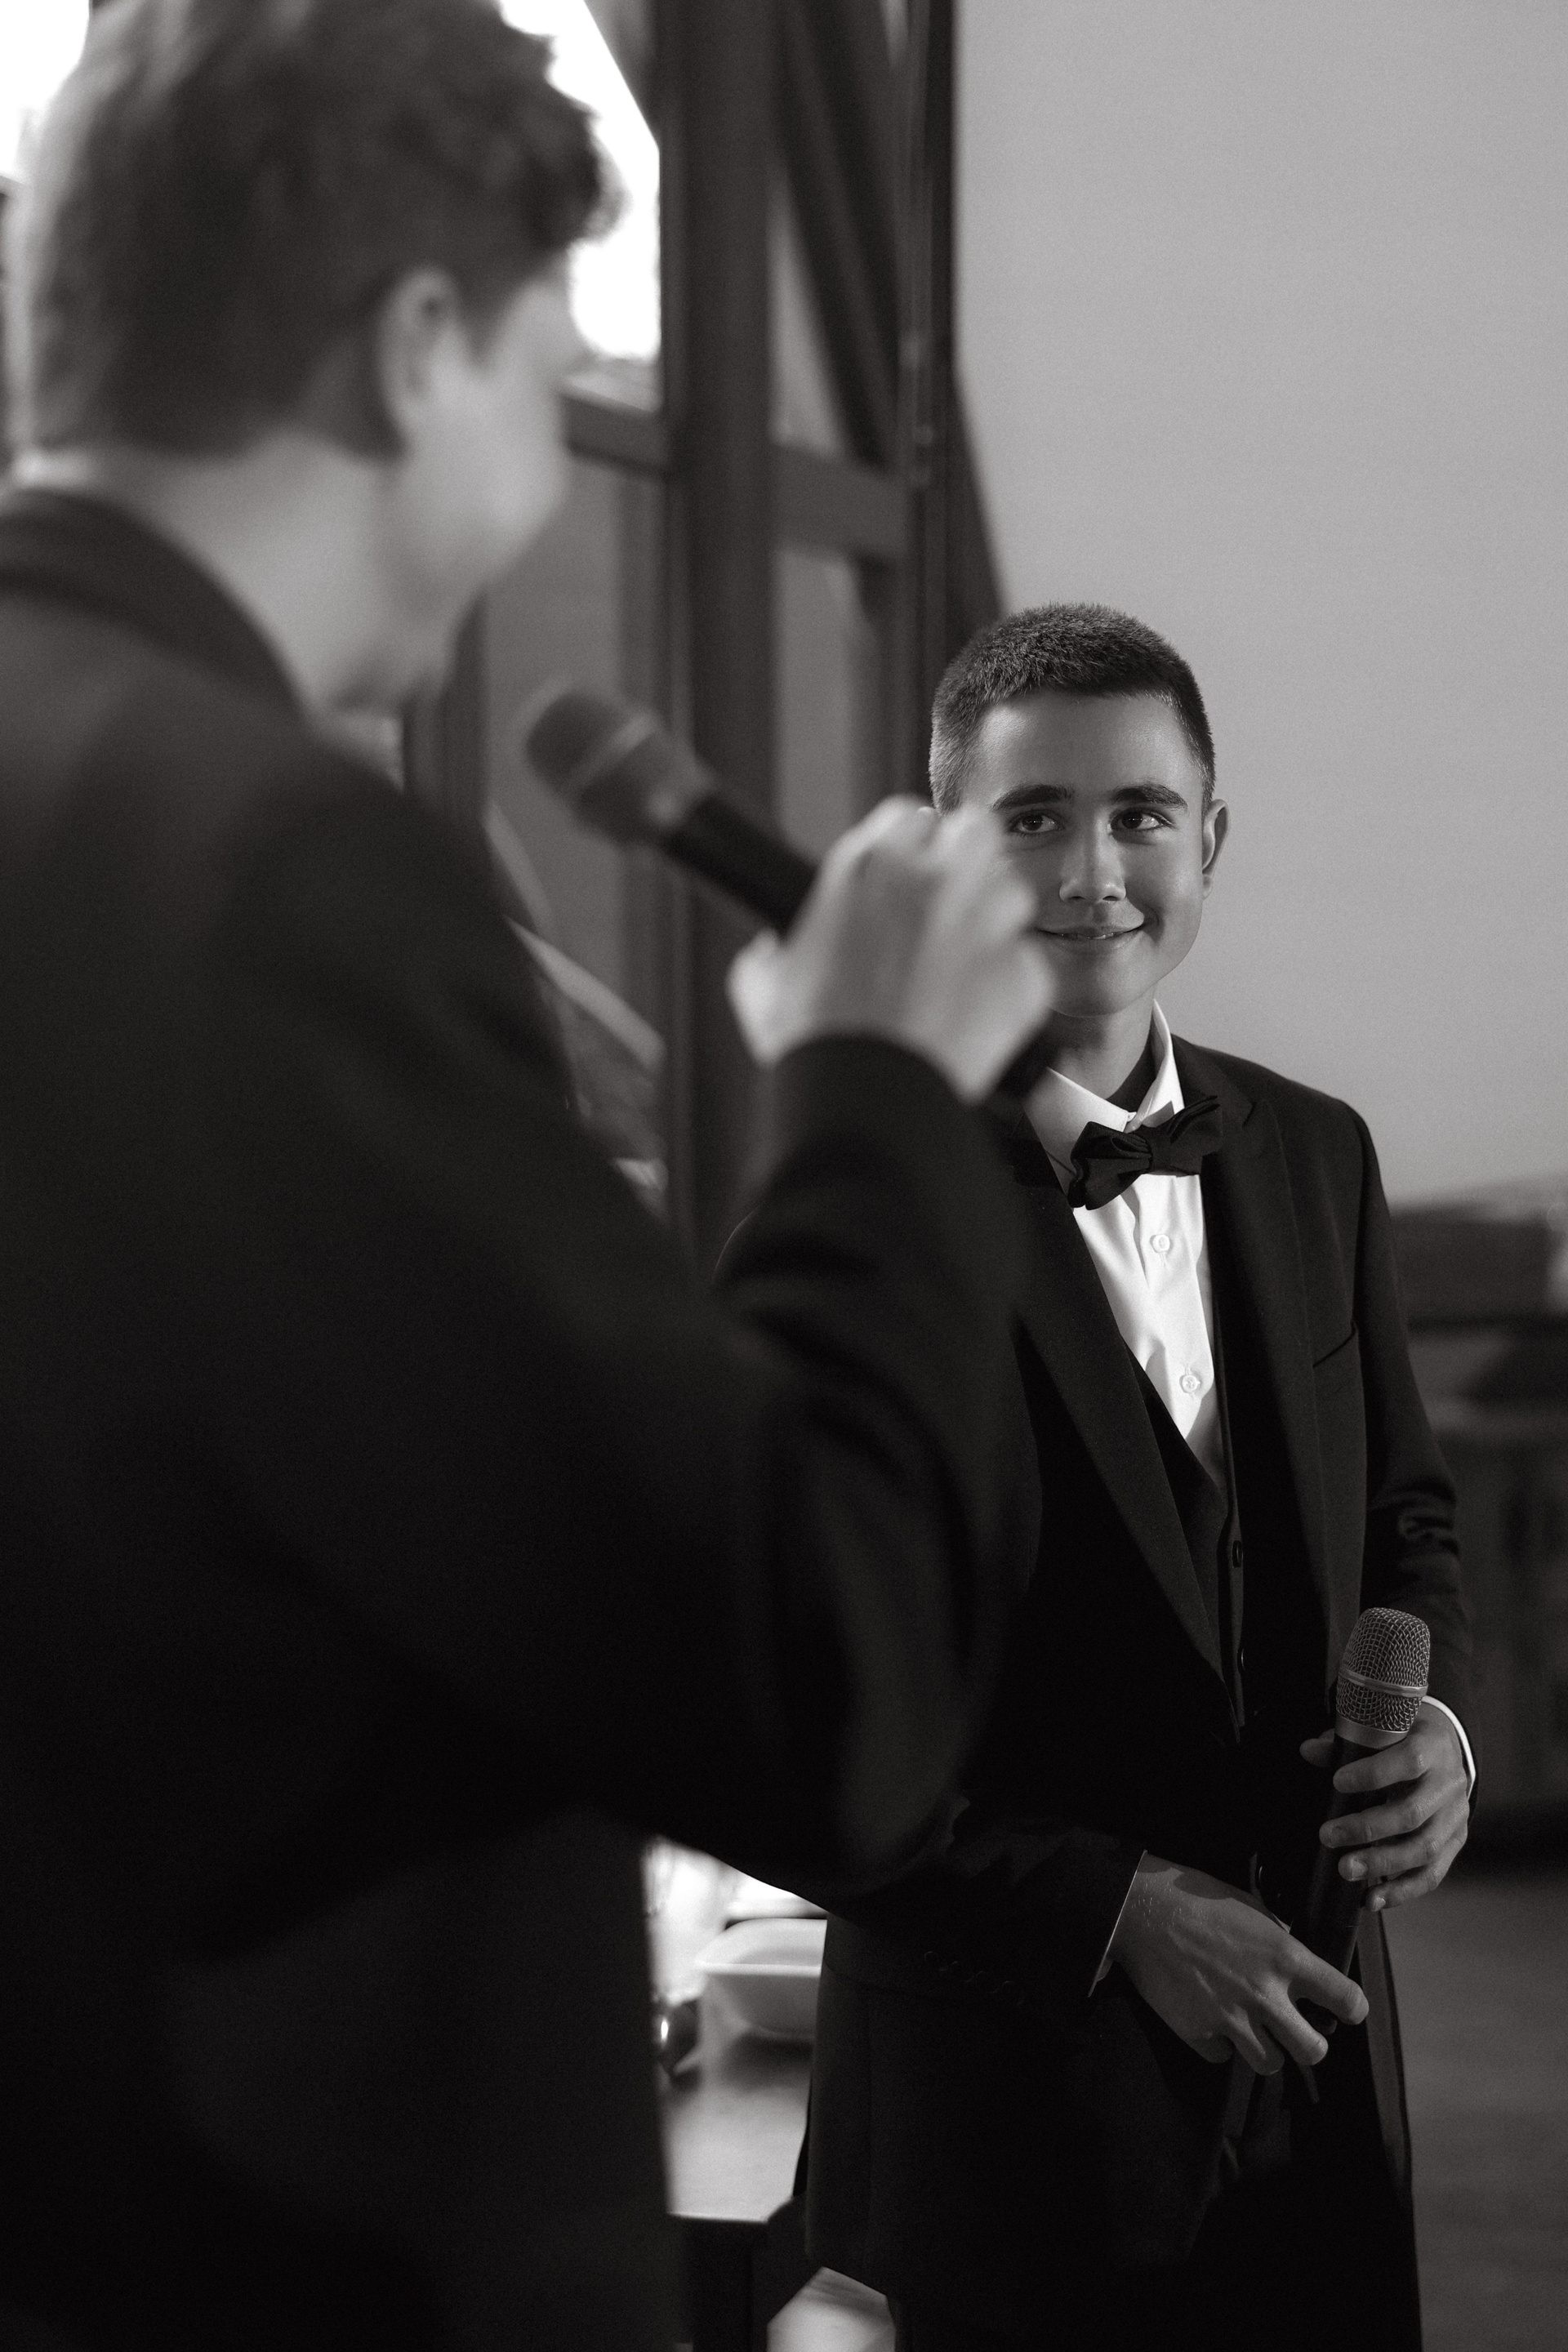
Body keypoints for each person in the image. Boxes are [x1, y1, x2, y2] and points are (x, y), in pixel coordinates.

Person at [0, 5, 1055, 2346]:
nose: (552, 482)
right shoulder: (276, 876)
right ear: (414, 352)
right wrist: (879, 1094)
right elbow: (812, 1687)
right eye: (548, 379)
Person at [804, 605, 1476, 2351]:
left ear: (1211, 838)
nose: (1093, 872)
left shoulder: (1317, 1150)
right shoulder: (851, 1206)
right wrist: (1113, 1914)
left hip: (1319, 2088)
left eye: (1141, 816)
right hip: (1002, 2130)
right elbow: (787, 1729)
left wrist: (1441, 1737)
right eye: (1032, 818)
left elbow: (1404, 1518)